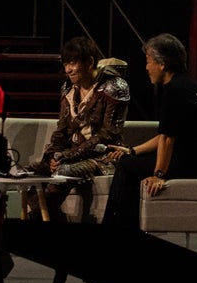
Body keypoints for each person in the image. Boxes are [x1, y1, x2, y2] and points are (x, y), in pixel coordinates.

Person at [101, 33, 197, 232]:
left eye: (149, 61)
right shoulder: (191, 85)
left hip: (196, 166)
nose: (146, 67)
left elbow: (167, 139)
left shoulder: (174, 90)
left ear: (162, 64)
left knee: (126, 167)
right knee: (131, 160)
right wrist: (132, 151)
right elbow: (165, 134)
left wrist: (159, 174)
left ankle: (115, 229)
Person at [38, 35, 131, 180]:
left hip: (103, 156)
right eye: (65, 64)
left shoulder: (113, 86)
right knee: (30, 170)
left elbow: (107, 135)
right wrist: (53, 156)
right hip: (70, 155)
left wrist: (67, 155)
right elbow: (61, 130)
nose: (67, 70)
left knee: (64, 172)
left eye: (72, 63)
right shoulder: (68, 89)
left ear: (89, 62)